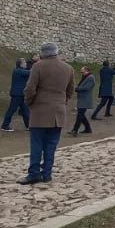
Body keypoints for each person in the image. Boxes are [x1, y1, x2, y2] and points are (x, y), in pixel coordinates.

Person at [17, 42, 74, 185]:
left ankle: (34, 173)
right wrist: (62, 102)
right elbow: (70, 90)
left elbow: (30, 88)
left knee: (37, 144)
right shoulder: (68, 68)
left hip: (40, 111)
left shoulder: (38, 66)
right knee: (51, 145)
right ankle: (47, 173)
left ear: (43, 53)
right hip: (59, 111)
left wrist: (29, 102)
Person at [1, 58, 31, 132]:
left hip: (21, 94)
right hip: (17, 94)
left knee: (25, 110)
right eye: (24, 62)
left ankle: (29, 126)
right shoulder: (19, 71)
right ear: (20, 64)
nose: (25, 64)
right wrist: (39, 67)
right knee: (12, 109)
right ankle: (5, 125)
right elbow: (30, 72)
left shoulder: (19, 70)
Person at [69, 66, 94, 137]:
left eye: (82, 72)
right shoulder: (87, 77)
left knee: (80, 115)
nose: (82, 73)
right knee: (81, 115)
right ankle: (88, 129)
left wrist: (76, 88)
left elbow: (86, 88)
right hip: (83, 99)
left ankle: (75, 130)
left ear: (87, 71)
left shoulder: (91, 78)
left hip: (85, 99)